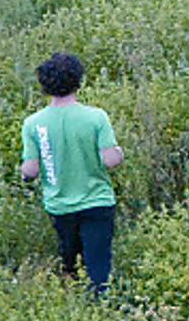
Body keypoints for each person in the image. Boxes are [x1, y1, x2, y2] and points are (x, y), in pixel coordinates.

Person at [19, 51, 125, 294]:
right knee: (98, 269)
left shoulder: (33, 123)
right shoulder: (96, 117)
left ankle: (75, 309)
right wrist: (119, 152)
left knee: (70, 267)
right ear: (78, 80)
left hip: (59, 206)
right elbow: (110, 160)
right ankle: (103, 311)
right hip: (97, 202)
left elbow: (31, 169)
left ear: (44, 85)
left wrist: (25, 175)